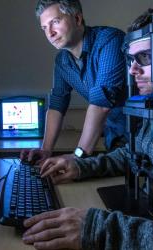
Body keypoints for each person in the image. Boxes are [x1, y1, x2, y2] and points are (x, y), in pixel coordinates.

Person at [22, 4, 153, 249]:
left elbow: (101, 103)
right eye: (131, 59)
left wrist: (102, 229)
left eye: (145, 57)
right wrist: (80, 167)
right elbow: (136, 156)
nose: (132, 70)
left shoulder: (107, 41)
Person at [21, 0, 127, 164]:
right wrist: (46, 150)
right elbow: (57, 105)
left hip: (145, 135)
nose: (50, 33)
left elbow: (101, 104)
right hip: (114, 138)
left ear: (77, 19)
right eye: (44, 28)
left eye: (55, 22)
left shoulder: (110, 40)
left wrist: (78, 157)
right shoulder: (62, 61)